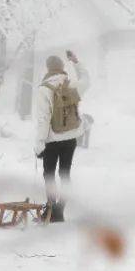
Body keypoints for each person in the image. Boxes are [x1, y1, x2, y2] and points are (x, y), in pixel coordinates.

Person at [35, 50, 89, 222]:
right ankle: (60, 210)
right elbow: (87, 80)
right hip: (71, 138)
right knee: (65, 173)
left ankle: (49, 211)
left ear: (48, 68)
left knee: (49, 174)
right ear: (62, 67)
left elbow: (43, 119)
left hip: (52, 140)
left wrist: (39, 144)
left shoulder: (44, 89)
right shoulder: (71, 84)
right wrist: (76, 62)